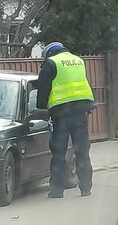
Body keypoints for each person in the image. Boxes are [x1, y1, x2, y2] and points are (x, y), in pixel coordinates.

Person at [36, 42, 96, 198]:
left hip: (61, 113)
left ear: (49, 53)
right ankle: (86, 188)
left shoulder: (52, 63)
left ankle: (57, 190)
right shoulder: (78, 60)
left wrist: (42, 108)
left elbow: (43, 88)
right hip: (81, 111)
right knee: (82, 150)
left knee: (59, 151)